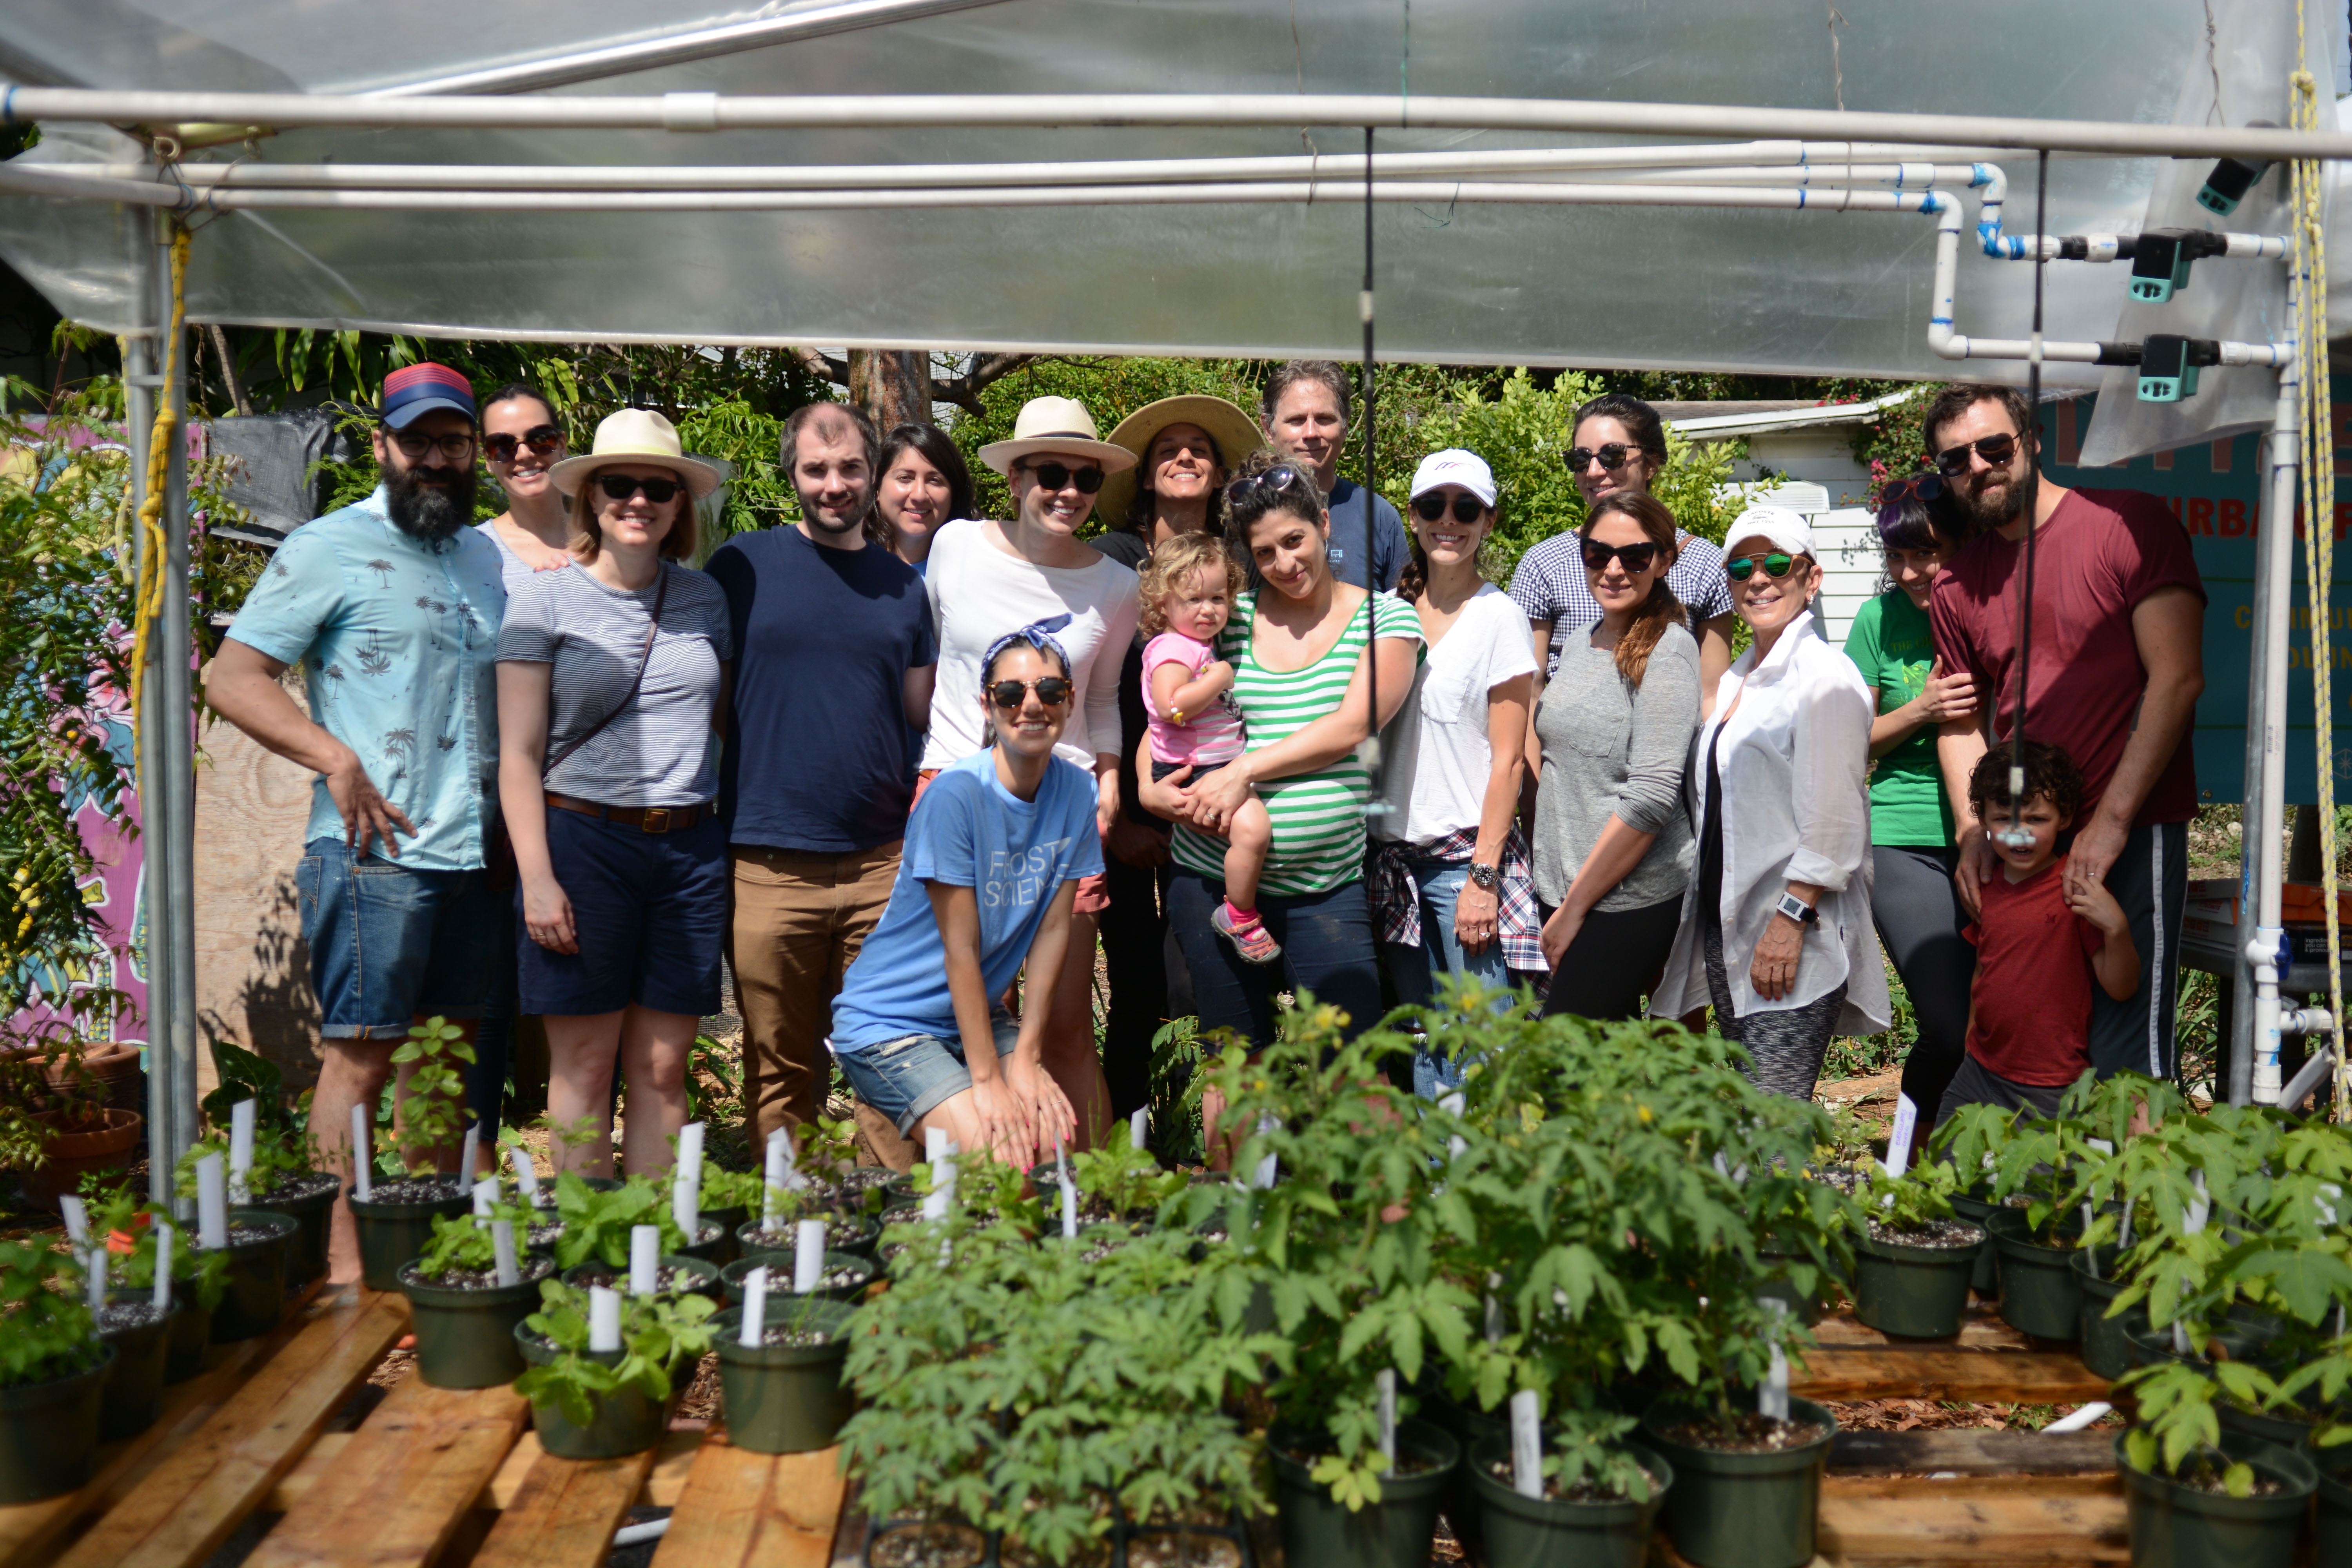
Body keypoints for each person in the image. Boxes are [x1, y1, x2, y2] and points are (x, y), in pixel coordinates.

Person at [205, 361, 505, 1283]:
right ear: (383, 446)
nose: (436, 458)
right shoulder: (329, 546)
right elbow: (233, 675)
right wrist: (334, 757)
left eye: (453, 442)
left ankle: (425, 1251)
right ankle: (342, 1269)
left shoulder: (483, 555)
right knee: (362, 1058)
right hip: (376, 851)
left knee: (443, 1061)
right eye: (417, 440)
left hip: (473, 849)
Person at [1139, 452, 1421, 1153]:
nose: (1284, 562)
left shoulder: (1386, 620)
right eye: (1264, 552)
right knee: (1236, 1062)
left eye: (1295, 540)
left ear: (1324, 525)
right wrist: (1148, 786)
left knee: (1356, 1064)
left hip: (1324, 887)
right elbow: (1166, 715)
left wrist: (1244, 773)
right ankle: (1239, 1226)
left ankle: (1371, 1233)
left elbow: (1356, 723)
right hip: (1209, 874)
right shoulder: (1226, 620)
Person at [1924, 383, 2205, 1082]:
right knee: (2032, 1036)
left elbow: (2177, 680)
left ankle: (2136, 1194)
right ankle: (2051, 1193)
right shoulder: (1957, 581)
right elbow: (1960, 721)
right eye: (1956, 460)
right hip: (2025, 845)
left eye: (1994, 446)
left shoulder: (2127, 524)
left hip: (2131, 825)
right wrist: (1971, 833)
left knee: (2128, 1045)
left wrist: (2109, 825)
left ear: (2034, 441)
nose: (1979, 466)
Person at [497, 409, 731, 1178]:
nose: (639, 500)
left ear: (679, 502)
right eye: (620, 484)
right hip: (584, 844)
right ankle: (584, 1253)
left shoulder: (704, 600)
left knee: (665, 1068)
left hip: (690, 847)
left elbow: (718, 720)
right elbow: (520, 753)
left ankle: (656, 1250)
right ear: (591, 496)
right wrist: (537, 878)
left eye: (657, 485)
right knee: (586, 1066)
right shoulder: (544, 596)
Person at [706, 402, 937, 1150]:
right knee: (779, 1065)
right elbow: (709, 700)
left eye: (849, 469)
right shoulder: (743, 565)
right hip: (768, 859)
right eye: (817, 469)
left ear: (872, 474)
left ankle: (900, 1233)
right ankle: (793, 1232)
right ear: (794, 474)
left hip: (882, 860)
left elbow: (923, 711)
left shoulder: (906, 586)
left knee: (889, 1052)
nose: (834, 484)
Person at [926, 395, 1141, 1149]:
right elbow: (931, 663)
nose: (1070, 491)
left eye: (1085, 477)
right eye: (1051, 472)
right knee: (967, 1020)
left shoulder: (1115, 585)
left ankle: (1086, 1203)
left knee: (1062, 1025)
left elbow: (1105, 698)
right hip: (957, 802)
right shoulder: (955, 546)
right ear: (1016, 477)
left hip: (1061, 811)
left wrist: (1109, 776)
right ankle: (983, 1201)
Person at [830, 625, 1098, 1165]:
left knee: (1055, 1151)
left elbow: (1051, 932)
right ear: (986, 704)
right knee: (1003, 1155)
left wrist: (1026, 1059)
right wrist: (988, 1081)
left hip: (969, 1019)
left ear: (1069, 700)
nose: (1031, 706)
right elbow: (961, 950)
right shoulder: (958, 793)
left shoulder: (1077, 790)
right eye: (1010, 693)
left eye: (1049, 692)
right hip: (891, 1023)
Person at [1650, 508, 1887, 1100]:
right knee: (1756, 1115)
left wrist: (1791, 919)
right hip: (1732, 932)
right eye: (1741, 567)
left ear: (1812, 579)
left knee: (1773, 1126)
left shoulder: (1825, 677)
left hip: (1788, 932)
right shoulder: (1737, 679)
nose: (1758, 579)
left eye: (1777, 563)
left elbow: (1836, 824)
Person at [1090, 394, 1263, 1122]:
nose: (1185, 457)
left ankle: (1205, 1138)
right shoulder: (1113, 565)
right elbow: (1099, 689)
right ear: (1146, 476)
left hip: (1212, 802)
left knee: (1200, 982)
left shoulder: (1240, 567)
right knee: (1134, 984)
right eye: (1169, 449)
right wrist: (1128, 804)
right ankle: (1129, 1145)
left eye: (1200, 448)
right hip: (1131, 800)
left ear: (1221, 473)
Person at [1368, 449, 1539, 1094]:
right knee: (1425, 1047)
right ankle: (1442, 1190)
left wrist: (1483, 879)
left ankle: (1485, 1187)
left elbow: (1509, 758)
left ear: (1488, 522)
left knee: (1480, 1047)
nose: (1450, 521)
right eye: (1435, 507)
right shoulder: (1390, 612)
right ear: (1412, 517)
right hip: (1394, 863)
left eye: (1466, 508)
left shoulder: (1500, 618)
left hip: (1462, 863)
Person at [1842, 474, 1981, 1129]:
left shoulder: (1996, 604)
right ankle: (1907, 1162)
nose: (1910, 571)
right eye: (1897, 556)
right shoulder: (1878, 619)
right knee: (1949, 1025)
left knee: (1996, 1020)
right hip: (1903, 834)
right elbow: (1854, 742)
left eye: (1926, 552)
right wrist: (1923, 709)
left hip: (2003, 837)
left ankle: (1969, 1163)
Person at [1532, 493, 1702, 1023]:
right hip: (1560, 885)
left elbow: (1651, 798)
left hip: (1625, 898)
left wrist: (1575, 907)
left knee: (1568, 1056)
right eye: (1597, 553)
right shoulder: (1583, 641)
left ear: (1664, 561)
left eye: (1634, 557)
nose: (1613, 569)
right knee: (1607, 1073)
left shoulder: (1669, 649)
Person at [470, 383, 574, 1131]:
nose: (525, 455)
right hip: (502, 801)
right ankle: (472, 1189)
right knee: (488, 1000)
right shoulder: (474, 552)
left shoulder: (614, 534)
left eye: (539, 437)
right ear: (486, 459)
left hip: (605, 800)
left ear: (563, 441)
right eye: (504, 445)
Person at [1509, 394, 1737, 731]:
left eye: (1613, 456)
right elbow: (1528, 694)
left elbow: (1711, 696)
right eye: (1580, 459)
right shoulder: (1544, 563)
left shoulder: (1703, 563)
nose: (1595, 471)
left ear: (1652, 463)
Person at [1941, 740, 2140, 1122]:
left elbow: (2122, 987)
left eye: (2036, 820)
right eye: (2004, 819)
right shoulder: (1986, 887)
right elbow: (1983, 970)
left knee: (2035, 1182)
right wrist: (1970, 1045)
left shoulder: (2076, 890)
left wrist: (2117, 928)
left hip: (2051, 1084)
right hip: (1980, 1071)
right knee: (1949, 1175)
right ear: (1982, 819)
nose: (2020, 834)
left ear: (2064, 818)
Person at [1139, 532, 1277, 960]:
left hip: (1208, 765)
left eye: (1218, 598)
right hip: (1194, 769)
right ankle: (1240, 915)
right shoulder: (1172, 648)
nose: (1208, 609)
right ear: (1163, 603)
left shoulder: (1196, 645)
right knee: (1254, 831)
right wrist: (1218, 678)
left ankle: (1239, 908)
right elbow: (1169, 706)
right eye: (1193, 599)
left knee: (1251, 832)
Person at [1258, 361, 1410, 592]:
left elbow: (1403, 609)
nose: (1311, 433)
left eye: (1324, 419)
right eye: (1297, 421)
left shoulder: (1379, 517)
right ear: (1269, 429)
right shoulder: (1248, 514)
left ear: (1346, 426)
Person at [872, 421, 976, 573]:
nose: (919, 495)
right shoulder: (847, 569)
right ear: (876, 488)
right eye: (905, 478)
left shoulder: (975, 573)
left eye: (934, 480)